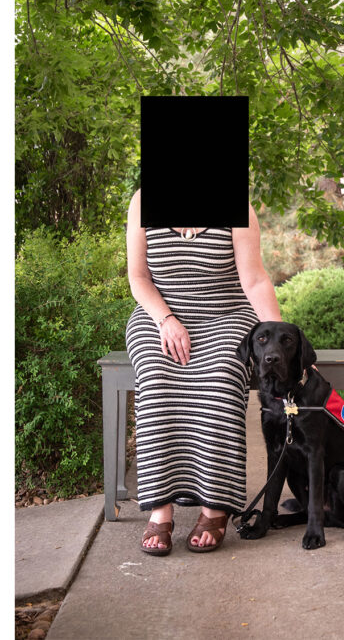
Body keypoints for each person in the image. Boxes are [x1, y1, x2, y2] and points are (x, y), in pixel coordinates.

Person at [125, 191, 281, 555]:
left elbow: (255, 281)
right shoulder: (142, 201)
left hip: (225, 317)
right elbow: (137, 277)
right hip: (159, 316)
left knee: (222, 374)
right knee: (155, 373)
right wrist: (166, 320)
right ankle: (160, 509)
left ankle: (215, 505)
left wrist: (277, 336)